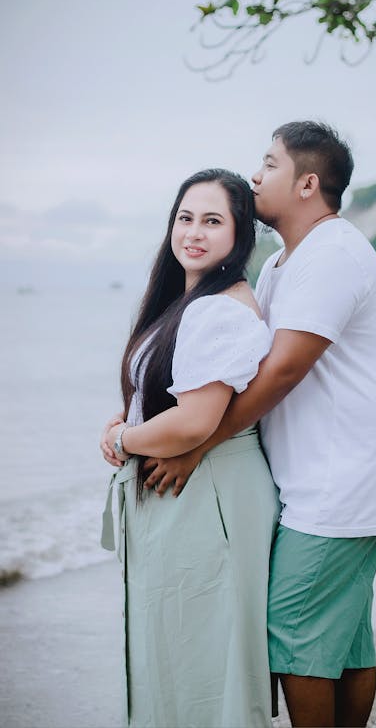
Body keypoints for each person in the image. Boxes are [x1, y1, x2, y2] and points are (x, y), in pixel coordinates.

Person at [144, 122, 376, 728]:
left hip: (338, 485)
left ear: (307, 183)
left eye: (269, 164)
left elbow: (285, 367)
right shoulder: (284, 264)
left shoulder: (333, 253)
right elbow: (243, 368)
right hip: (319, 482)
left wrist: (196, 443)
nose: (256, 176)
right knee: (343, 644)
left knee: (291, 632)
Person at [100, 168, 281, 728]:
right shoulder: (190, 303)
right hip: (195, 492)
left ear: (239, 233)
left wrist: (122, 439)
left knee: (206, 659)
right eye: (185, 218)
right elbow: (177, 398)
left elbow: (196, 421)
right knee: (180, 650)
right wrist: (131, 416)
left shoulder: (219, 308)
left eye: (212, 221)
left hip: (211, 496)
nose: (193, 233)